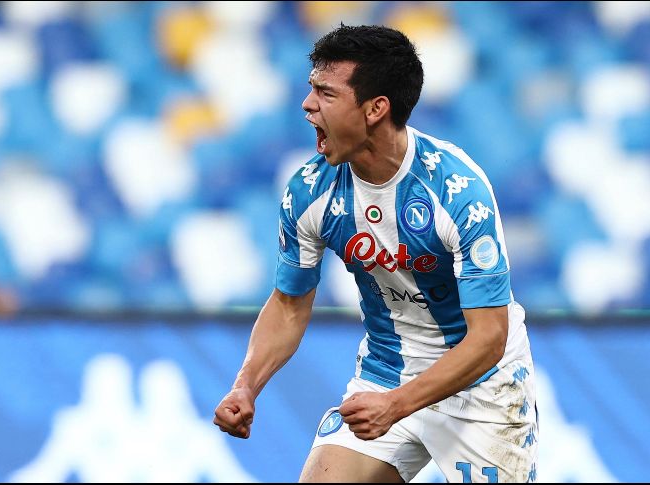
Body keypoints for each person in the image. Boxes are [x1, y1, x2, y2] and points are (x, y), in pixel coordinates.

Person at [213, 24, 538, 483]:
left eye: (325, 93)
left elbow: (488, 338)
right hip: (387, 370)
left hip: (481, 384)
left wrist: (398, 405)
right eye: (311, 89)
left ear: (375, 109)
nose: (307, 105)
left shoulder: (458, 192)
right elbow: (288, 306)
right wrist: (246, 385)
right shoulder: (309, 192)